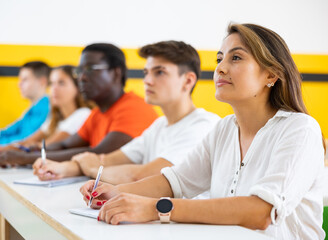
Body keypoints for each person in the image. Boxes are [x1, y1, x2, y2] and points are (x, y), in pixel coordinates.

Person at [79, 24, 326, 240]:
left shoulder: (299, 129)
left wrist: (157, 208)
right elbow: (176, 181)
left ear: (271, 74)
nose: (220, 68)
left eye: (236, 58)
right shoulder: (224, 129)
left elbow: (260, 212)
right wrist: (114, 191)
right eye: (220, 59)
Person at [32, 41, 220, 185]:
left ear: (188, 81)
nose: (147, 80)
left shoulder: (202, 126)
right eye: (146, 72)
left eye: (159, 72)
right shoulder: (159, 126)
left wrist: (92, 168)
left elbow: (144, 175)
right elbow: (108, 160)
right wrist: (60, 168)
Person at [0, 43, 158, 167]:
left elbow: (99, 153)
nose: (82, 78)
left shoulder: (134, 108)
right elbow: (65, 145)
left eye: (90, 69)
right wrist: (26, 150)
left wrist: (26, 158)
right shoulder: (97, 113)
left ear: (116, 73)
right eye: (79, 71)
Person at [0, 65, 91, 156]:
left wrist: (9, 150)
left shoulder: (83, 114)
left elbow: (45, 146)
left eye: (61, 83)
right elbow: (28, 141)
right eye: (51, 83)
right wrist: (3, 149)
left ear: (77, 88)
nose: (54, 89)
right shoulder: (54, 118)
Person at [0, 61, 50, 148]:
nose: (19, 84)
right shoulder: (32, 109)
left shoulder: (47, 110)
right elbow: (11, 130)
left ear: (42, 81)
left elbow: (24, 140)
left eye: (25, 80)